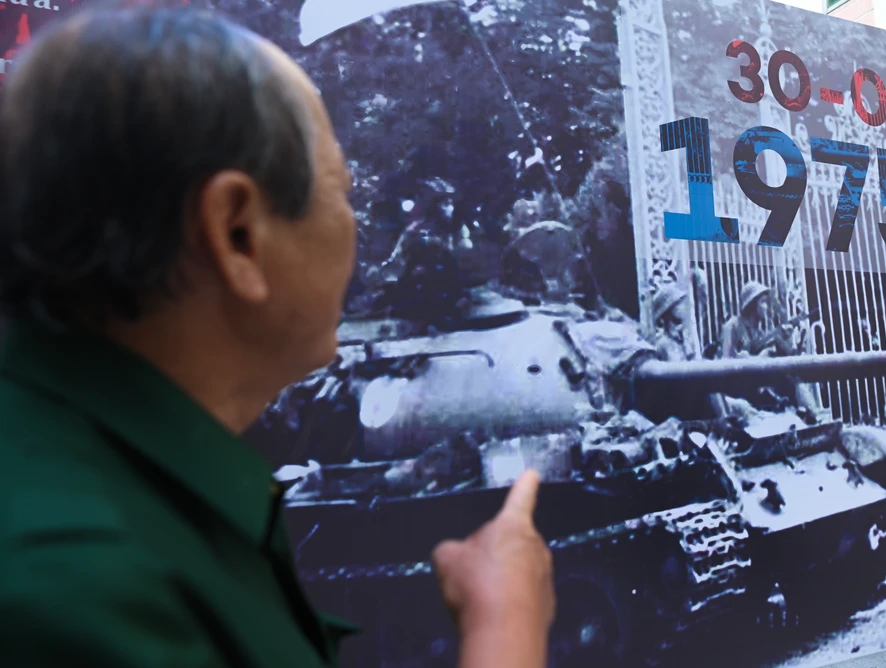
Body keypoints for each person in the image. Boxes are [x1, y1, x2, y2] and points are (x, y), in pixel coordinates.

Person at [0, 5, 554, 668]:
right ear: (236, 234)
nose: (354, 230)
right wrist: (504, 629)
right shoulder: (87, 588)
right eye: (339, 193)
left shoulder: (101, 486)